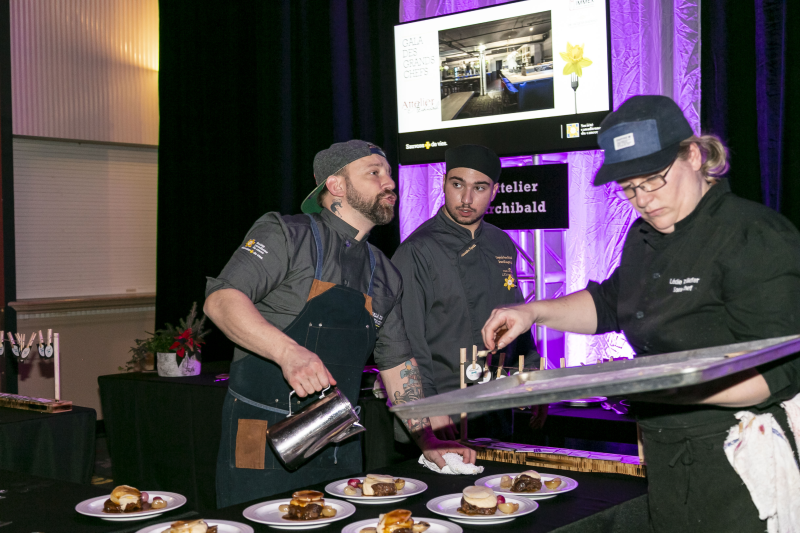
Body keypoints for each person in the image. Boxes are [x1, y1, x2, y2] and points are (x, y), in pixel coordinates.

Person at [481, 95, 800, 531]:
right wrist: (531, 311)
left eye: (653, 180)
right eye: (629, 188)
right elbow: (610, 303)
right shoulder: (643, 236)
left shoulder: (753, 235)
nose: (644, 200)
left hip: (740, 455)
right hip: (665, 451)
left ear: (694, 154)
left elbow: (778, 370)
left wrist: (661, 384)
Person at [205, 140, 474, 508]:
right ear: (336, 186)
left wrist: (429, 438)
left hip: (339, 448)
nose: (390, 183)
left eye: (389, 173)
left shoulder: (387, 273)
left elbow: (399, 368)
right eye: (374, 173)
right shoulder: (286, 235)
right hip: (261, 443)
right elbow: (221, 300)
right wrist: (288, 353)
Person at [391, 144, 539, 441]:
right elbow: (406, 344)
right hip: (444, 406)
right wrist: (430, 408)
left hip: (494, 402)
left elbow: (517, 316)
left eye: (479, 187)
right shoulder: (417, 251)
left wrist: (533, 379)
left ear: (494, 191)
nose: (466, 198)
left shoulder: (501, 243)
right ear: (444, 183)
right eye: (457, 184)